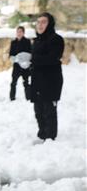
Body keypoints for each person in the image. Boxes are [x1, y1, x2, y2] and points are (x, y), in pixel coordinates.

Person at [30, 12, 64, 144]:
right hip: (37, 80)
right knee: (38, 110)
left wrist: (33, 59)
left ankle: (50, 138)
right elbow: (35, 60)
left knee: (48, 110)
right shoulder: (36, 41)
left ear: (50, 24)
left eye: (43, 22)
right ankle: (42, 134)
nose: (40, 25)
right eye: (38, 22)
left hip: (51, 81)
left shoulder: (56, 39)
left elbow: (52, 58)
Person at [9, 26, 32, 101]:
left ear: (23, 33)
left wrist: (27, 62)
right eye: (18, 31)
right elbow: (11, 54)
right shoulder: (13, 42)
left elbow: (30, 53)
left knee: (26, 82)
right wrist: (14, 58)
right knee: (13, 82)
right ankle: (12, 98)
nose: (19, 33)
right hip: (16, 66)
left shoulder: (27, 41)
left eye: (20, 31)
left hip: (25, 66)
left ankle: (28, 97)